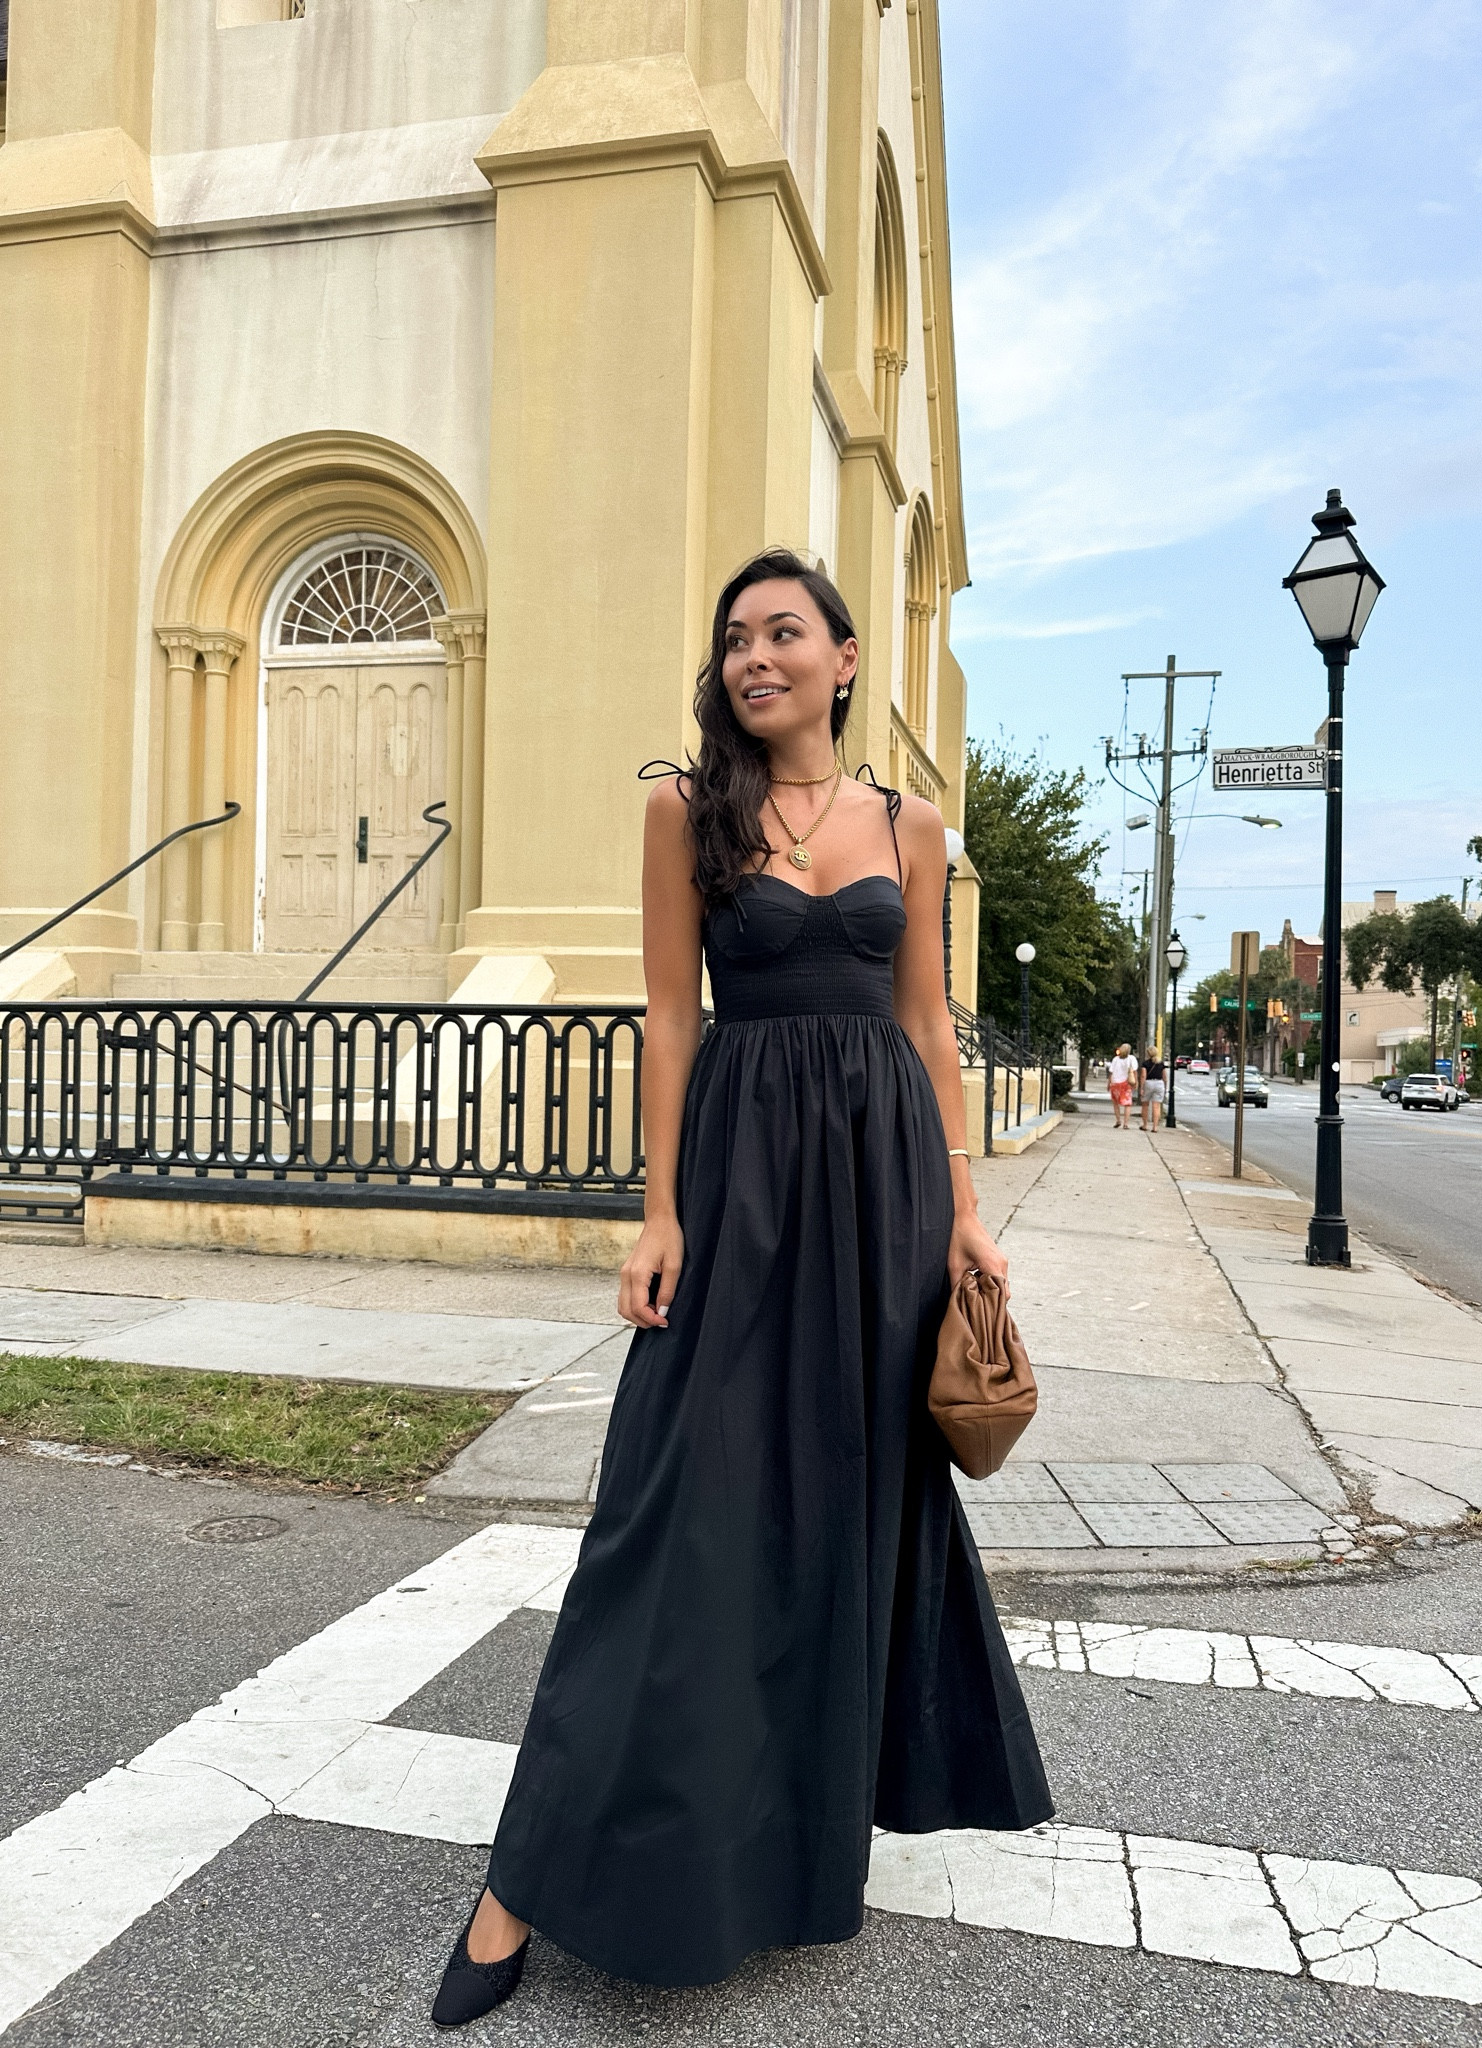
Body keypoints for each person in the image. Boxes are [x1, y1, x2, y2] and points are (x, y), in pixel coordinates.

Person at [430, 550, 1052, 2026]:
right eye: (735, 641)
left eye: (785, 633)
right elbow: (666, 1012)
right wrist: (658, 1211)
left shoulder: (913, 824)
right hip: (742, 1188)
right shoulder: (684, 809)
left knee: (845, 1512)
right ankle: (523, 1881)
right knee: (673, 1516)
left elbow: (925, 1031)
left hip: (885, 1193)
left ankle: (783, 1846)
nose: (755, 657)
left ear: (846, 659)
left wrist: (964, 1214)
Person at [1108, 1041, 1138, 1129]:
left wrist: (1109, 1083)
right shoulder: (1131, 1058)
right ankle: (1126, 1123)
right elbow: (1134, 1071)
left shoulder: (1115, 1059)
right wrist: (1136, 1082)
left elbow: (1111, 1072)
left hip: (1115, 1084)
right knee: (1127, 1104)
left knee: (1115, 1103)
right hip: (1126, 1084)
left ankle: (1118, 1120)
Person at [1141, 1047, 1166, 1132]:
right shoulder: (1161, 1064)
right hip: (1159, 1083)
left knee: (1145, 1105)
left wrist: (1142, 1088)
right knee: (1156, 1106)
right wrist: (1164, 1085)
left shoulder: (1145, 1064)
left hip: (1148, 1083)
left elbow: (1143, 1076)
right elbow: (1164, 1076)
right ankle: (1155, 1127)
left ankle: (1145, 1125)